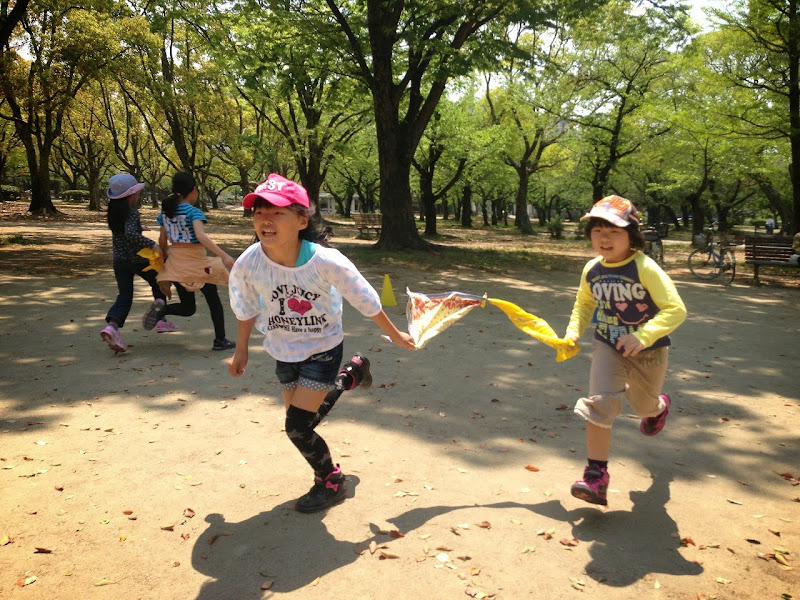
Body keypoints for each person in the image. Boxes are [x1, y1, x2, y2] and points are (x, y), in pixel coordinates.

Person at [227, 173, 416, 513]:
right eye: (259, 212)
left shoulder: (326, 261)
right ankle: (350, 376)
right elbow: (245, 306)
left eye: (277, 212)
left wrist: (395, 334)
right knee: (303, 421)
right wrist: (241, 350)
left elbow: (365, 299)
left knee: (297, 428)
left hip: (323, 349)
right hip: (283, 351)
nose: (265, 219)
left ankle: (330, 480)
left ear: (302, 220)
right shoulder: (249, 263)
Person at [564, 195, 687, 506]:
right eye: (597, 230)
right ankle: (596, 477)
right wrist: (573, 332)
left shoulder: (645, 267)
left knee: (643, 406)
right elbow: (584, 303)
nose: (604, 238)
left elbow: (675, 310)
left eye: (614, 231)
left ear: (632, 235)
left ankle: (658, 408)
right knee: (600, 403)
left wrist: (643, 336)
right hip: (608, 345)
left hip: (649, 351)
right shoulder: (592, 269)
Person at [141, 172, 237, 351]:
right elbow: (201, 236)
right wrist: (224, 256)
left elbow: (162, 240)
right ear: (193, 190)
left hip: (176, 262)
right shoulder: (194, 212)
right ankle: (220, 340)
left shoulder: (166, 212)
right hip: (197, 262)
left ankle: (163, 310)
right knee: (214, 302)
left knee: (188, 307)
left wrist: (164, 263)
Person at [101, 173, 178, 354]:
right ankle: (160, 318)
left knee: (125, 295)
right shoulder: (131, 212)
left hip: (120, 261)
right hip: (137, 259)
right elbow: (130, 234)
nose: (138, 195)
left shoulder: (114, 213)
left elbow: (123, 231)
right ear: (131, 196)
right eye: (136, 193)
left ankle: (112, 326)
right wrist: (153, 245)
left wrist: (139, 228)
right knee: (159, 281)